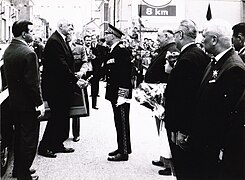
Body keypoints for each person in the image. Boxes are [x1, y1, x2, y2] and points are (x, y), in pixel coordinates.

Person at [191, 19, 245, 180]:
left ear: (214, 40)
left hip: (214, 145)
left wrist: (221, 149)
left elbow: (229, 116)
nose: (201, 40)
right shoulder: (215, 62)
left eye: (204, 35)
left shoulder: (234, 67)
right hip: (205, 142)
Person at [164, 19, 210, 180]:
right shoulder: (197, 53)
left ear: (181, 34)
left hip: (181, 125)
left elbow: (184, 98)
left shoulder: (187, 59)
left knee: (184, 169)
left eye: (175, 34)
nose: (174, 38)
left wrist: (181, 130)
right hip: (189, 123)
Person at [38, 18, 88, 158]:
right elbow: (61, 65)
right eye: (68, 25)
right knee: (56, 117)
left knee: (62, 117)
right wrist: (75, 80)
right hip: (56, 88)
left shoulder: (61, 39)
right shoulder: (55, 41)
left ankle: (57, 144)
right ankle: (45, 146)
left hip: (62, 87)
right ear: (60, 26)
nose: (71, 27)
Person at [3, 19, 45, 180]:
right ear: (24, 33)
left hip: (15, 103)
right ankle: (23, 174)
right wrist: (39, 103)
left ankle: (19, 170)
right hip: (28, 105)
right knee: (28, 140)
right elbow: (33, 83)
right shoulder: (29, 53)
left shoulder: (9, 50)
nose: (33, 34)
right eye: (31, 32)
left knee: (19, 138)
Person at [144, 27, 180, 176]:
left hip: (163, 93)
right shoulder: (165, 49)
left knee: (165, 129)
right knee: (160, 128)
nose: (157, 39)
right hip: (158, 94)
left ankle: (169, 164)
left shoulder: (171, 50)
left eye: (159, 36)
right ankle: (163, 157)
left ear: (167, 36)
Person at [104, 24, 132, 161]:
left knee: (122, 122)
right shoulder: (112, 50)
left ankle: (124, 152)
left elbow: (126, 75)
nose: (105, 36)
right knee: (118, 121)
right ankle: (121, 147)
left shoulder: (122, 51)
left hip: (120, 94)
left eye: (107, 34)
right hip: (114, 93)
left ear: (113, 36)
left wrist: (122, 95)